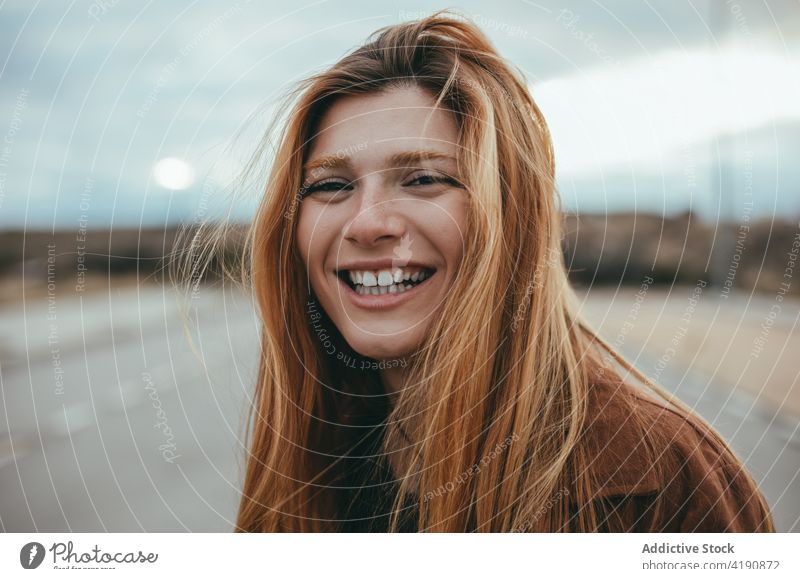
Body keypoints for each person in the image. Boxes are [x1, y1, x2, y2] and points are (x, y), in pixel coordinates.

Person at [218, 11, 774, 532]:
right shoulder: (311, 462)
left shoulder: (659, 483)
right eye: (330, 186)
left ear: (513, 218)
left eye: (424, 180)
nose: (367, 225)